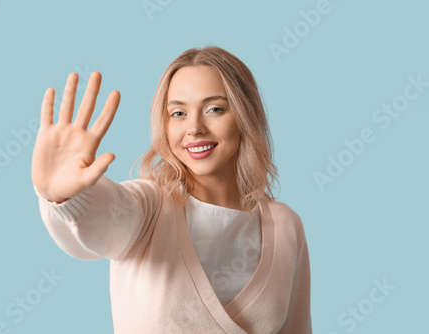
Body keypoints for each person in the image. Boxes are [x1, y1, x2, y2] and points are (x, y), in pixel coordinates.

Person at [31, 46, 312, 333]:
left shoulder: (286, 225)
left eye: (214, 109)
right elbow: (103, 217)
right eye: (178, 113)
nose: (194, 128)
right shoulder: (149, 208)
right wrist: (63, 197)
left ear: (244, 115)